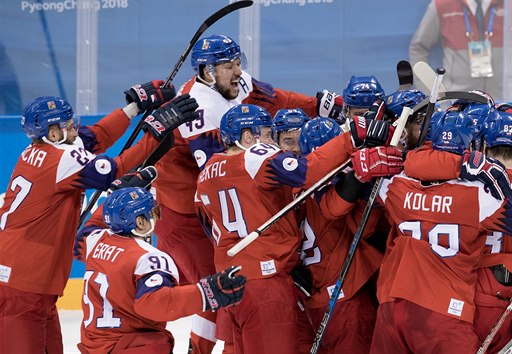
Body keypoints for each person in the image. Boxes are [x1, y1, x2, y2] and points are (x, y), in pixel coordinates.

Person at [150, 34, 343, 352]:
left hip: (214, 207)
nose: (238, 71)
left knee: (232, 294)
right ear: (208, 71)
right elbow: (223, 168)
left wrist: (323, 106)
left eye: (239, 62)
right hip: (184, 215)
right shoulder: (197, 105)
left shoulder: (230, 80)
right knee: (213, 293)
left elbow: (275, 97)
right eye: (230, 65)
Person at [362, 110, 512, 353]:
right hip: (444, 311)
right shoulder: (478, 196)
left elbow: (404, 165)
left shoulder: (396, 185)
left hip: (390, 308)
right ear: (473, 146)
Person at [0, 85, 197, 353]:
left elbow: (94, 137)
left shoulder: (46, 150)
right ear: (53, 133)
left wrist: (133, 109)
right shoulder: (61, 159)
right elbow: (113, 169)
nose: (75, 129)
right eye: (68, 126)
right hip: (22, 281)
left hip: (27, 278)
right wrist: (156, 132)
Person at [195, 103, 392, 353]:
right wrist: (351, 138)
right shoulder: (255, 158)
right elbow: (306, 172)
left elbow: (207, 224)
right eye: (268, 135)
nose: (272, 145)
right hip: (266, 284)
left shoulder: (205, 174)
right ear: (247, 136)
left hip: (232, 282)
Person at [74, 169, 246, 354]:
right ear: (140, 223)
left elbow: (85, 233)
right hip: (131, 348)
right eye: (153, 212)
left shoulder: (95, 242)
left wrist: (116, 197)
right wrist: (206, 293)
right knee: (156, 340)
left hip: (94, 347)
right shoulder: (148, 257)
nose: (157, 215)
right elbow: (153, 304)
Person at [296, 116, 384, 353]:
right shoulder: (338, 193)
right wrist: (365, 186)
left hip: (305, 301)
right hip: (343, 301)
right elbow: (362, 226)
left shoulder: (290, 187)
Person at [409, 0, 512, 100]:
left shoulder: (510, 5)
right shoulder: (443, 5)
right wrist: (430, 95)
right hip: (457, 105)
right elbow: (418, 48)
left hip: (502, 103)